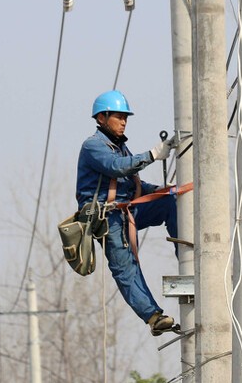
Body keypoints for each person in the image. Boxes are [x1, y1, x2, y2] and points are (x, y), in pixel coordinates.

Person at [76, 90, 180, 336]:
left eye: (125, 117)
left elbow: (134, 186)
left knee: (172, 202)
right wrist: (153, 155)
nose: (123, 122)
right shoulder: (94, 146)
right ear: (102, 118)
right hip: (106, 217)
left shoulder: (121, 148)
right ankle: (153, 316)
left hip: (128, 209)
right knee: (125, 267)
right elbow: (116, 169)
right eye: (118, 117)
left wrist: (164, 192)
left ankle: (188, 259)